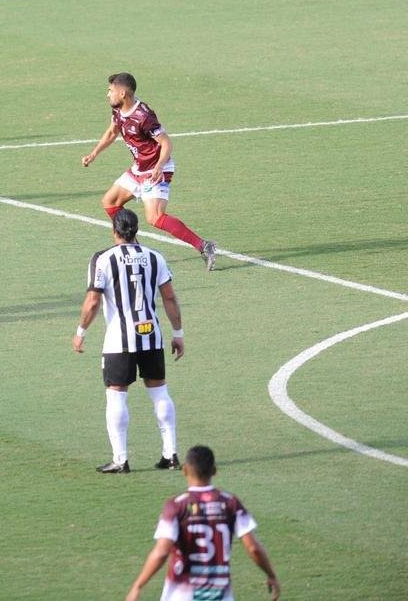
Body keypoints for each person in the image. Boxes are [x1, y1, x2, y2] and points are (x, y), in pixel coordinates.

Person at [73, 208, 183, 474]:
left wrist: (80, 331)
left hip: (118, 340)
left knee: (116, 393)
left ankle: (120, 459)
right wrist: (178, 333)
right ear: (137, 230)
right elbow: (169, 297)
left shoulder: (103, 259)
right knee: (159, 391)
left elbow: (93, 300)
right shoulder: (155, 257)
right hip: (151, 336)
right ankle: (170, 454)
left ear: (114, 231)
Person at [81, 72, 217, 270]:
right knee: (110, 202)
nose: (107, 95)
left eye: (111, 91)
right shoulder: (118, 111)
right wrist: (94, 154)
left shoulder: (143, 116)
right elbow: (112, 132)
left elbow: (166, 142)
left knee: (155, 217)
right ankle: (133, 247)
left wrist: (159, 167)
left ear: (123, 93)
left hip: (156, 169)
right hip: (139, 168)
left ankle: (204, 246)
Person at [125, 444, 281, 601]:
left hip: (181, 594)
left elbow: (161, 552)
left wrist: (138, 585)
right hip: (220, 595)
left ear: (185, 470)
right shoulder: (230, 503)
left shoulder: (176, 505)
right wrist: (271, 574)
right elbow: (253, 547)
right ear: (214, 470)